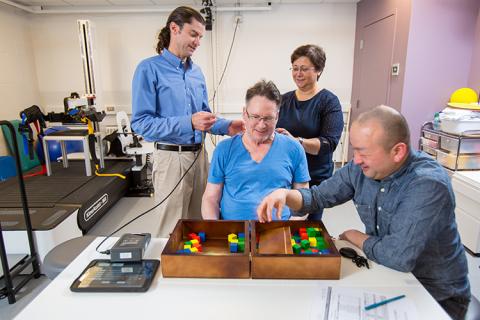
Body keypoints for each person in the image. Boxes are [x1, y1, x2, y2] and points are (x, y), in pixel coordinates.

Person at [258, 105, 470, 320]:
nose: (356, 159)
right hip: (388, 275)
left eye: (363, 152)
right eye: (354, 149)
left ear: (398, 151)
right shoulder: (360, 168)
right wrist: (285, 194)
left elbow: (397, 257)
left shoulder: (427, 185)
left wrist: (354, 236)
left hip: (435, 294)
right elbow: (317, 197)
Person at [131, 6, 244, 237]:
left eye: (201, 36)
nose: (198, 41)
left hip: (200, 158)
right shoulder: (149, 69)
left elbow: (204, 117)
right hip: (171, 159)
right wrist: (188, 123)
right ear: (174, 28)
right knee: (172, 230)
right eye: (194, 34)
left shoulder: (196, 73)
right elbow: (141, 124)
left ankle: (198, 270)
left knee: (202, 221)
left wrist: (227, 127)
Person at [202, 80, 310, 220]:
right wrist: (215, 230)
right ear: (244, 114)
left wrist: (288, 229)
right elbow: (210, 198)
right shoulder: (224, 150)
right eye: (256, 117)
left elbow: (304, 201)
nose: (261, 125)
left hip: (279, 231)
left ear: (277, 116)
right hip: (232, 234)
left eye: (268, 118)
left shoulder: (294, 149)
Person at [276, 44, 344, 221]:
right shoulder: (283, 100)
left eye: (304, 69)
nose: (298, 74)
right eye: (295, 68)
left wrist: (296, 142)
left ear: (319, 70)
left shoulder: (329, 102)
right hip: (286, 175)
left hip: (315, 178)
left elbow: (329, 143)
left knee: (307, 230)